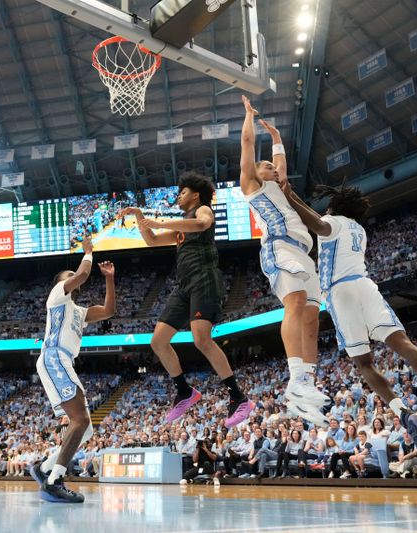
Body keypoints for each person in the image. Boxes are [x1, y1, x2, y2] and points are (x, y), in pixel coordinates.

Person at [283, 182, 417, 453]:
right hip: (366, 286)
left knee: (364, 363)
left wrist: (289, 196)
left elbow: (319, 225)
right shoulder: (359, 229)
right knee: (402, 343)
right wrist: (292, 195)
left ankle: (401, 410)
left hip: (339, 291)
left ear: (334, 207)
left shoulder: (333, 221)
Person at [120, 173, 253, 428]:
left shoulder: (203, 210)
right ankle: (184, 391)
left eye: (183, 192)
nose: (178, 195)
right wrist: (139, 216)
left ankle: (239, 397)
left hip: (204, 278)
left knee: (201, 339)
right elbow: (152, 240)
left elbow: (202, 224)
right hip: (184, 286)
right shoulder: (181, 225)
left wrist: (160, 223)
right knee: (157, 341)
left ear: (196, 194)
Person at [239, 95, 328, 426]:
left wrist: (277, 139)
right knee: (296, 302)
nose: (273, 168)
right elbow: (248, 145)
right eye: (267, 166)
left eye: (274, 167)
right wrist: (249, 117)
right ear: (257, 172)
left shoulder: (280, 185)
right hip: (279, 247)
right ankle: (294, 379)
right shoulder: (251, 185)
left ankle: (307, 383)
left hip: (304, 252)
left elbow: (281, 166)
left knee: (312, 317)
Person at [31, 235, 116, 503]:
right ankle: (54, 480)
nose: (74, 277)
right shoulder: (57, 295)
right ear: (61, 282)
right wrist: (88, 252)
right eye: (68, 275)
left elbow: (109, 311)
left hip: (64, 360)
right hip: (55, 356)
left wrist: (110, 278)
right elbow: (81, 273)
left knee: (86, 428)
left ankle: (44, 468)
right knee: (79, 421)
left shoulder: (79, 311)